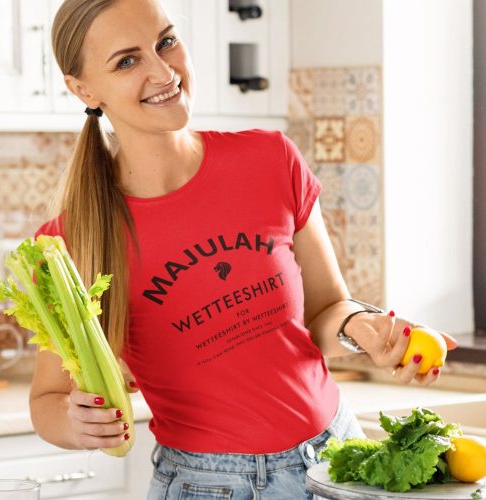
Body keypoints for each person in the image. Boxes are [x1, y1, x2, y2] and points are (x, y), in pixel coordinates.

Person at [29, 0, 458, 498]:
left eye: (166, 42)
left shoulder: (270, 159)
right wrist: (71, 421)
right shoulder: (71, 241)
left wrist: (359, 327)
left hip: (339, 458)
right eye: (127, 61)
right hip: (211, 485)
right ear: (82, 88)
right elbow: (47, 399)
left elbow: (325, 308)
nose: (164, 70)